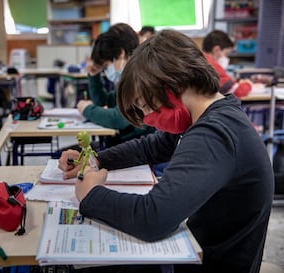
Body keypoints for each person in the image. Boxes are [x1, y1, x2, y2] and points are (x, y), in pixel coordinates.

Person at [59, 29, 274, 273]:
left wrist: (91, 194)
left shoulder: (215, 133)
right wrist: (95, 159)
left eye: (144, 106)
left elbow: (154, 218)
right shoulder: (209, 116)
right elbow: (150, 146)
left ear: (173, 84)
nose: (147, 120)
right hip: (196, 250)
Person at [77, 23, 155, 148]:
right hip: (132, 142)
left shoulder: (139, 77)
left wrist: (87, 109)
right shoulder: (127, 78)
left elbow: (118, 119)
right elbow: (105, 101)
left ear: (120, 54)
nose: (107, 71)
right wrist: (94, 75)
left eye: (106, 65)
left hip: (142, 145)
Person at [202, 30, 253, 98]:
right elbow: (237, 91)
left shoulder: (200, 59)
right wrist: (248, 83)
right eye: (226, 54)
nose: (226, 58)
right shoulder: (213, 67)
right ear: (216, 50)